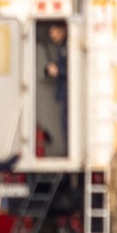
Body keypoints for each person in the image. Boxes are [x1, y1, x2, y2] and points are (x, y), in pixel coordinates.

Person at [37, 21, 68, 157]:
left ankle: (69, 151)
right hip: (65, 94)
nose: (52, 36)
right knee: (64, 124)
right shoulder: (63, 47)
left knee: (67, 124)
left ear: (63, 29)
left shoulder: (69, 46)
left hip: (69, 94)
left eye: (53, 32)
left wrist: (59, 70)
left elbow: (77, 68)